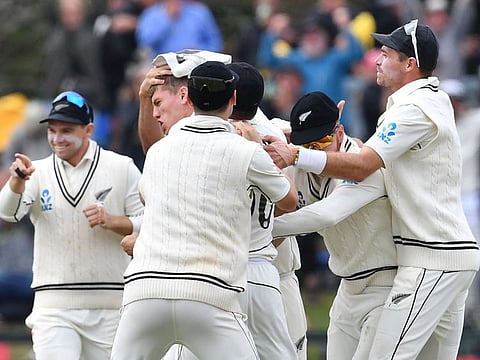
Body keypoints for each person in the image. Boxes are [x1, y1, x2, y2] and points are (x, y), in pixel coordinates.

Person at [263, 20, 480, 359]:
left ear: (410, 64)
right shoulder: (419, 103)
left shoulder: (413, 109)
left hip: (431, 256)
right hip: (442, 255)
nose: (377, 60)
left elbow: (363, 165)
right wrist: (288, 135)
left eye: (386, 53)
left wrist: (295, 154)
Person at [111, 61, 298, 360]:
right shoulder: (246, 149)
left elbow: (151, 201)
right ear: (233, 98)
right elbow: (289, 201)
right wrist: (262, 151)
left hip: (144, 291)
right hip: (211, 292)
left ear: (188, 98)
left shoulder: (159, 150)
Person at [0, 90, 144, 359]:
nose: (57, 139)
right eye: (52, 131)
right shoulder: (37, 171)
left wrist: (114, 221)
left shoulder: (121, 167)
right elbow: (7, 213)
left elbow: (151, 223)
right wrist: (17, 182)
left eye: (66, 130)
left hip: (111, 306)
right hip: (53, 306)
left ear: (88, 130)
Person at [270, 91, 397, 359]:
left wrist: (257, 232)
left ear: (340, 133)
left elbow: (325, 215)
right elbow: (268, 124)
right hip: (347, 289)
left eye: (323, 142)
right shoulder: (300, 156)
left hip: (384, 288)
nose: (314, 152)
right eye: (308, 146)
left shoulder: (363, 165)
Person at [135, 0, 223, 60]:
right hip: (163, 69)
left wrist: (198, 52)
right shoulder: (151, 13)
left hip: (196, 67)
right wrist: (168, 18)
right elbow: (145, 42)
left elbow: (214, 41)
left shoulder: (199, 11)